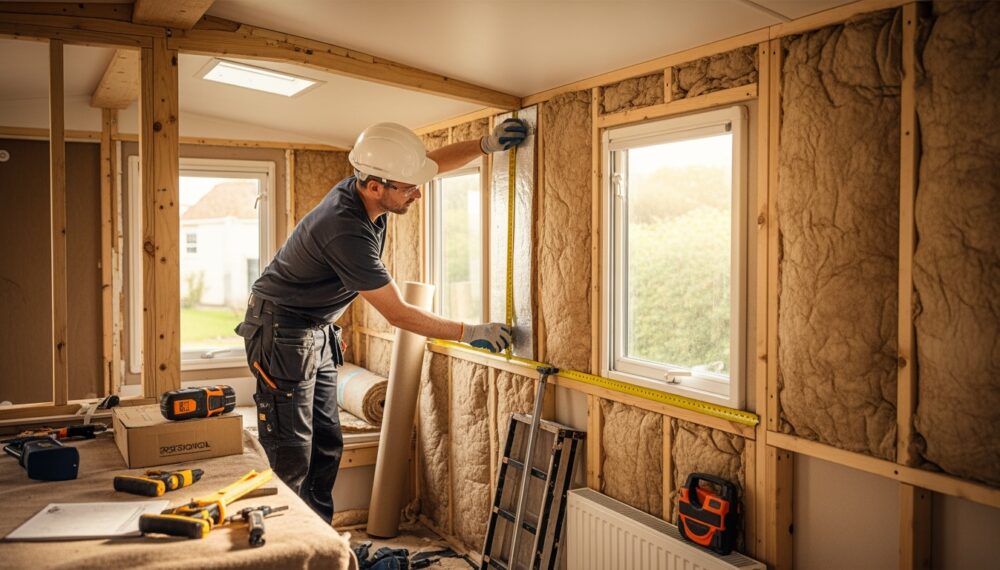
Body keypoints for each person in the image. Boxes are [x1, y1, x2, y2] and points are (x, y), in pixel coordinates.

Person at [235, 118, 529, 522]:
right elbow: (398, 313)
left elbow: (432, 164)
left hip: (314, 331)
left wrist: (485, 144)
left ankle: (323, 550)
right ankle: (284, 554)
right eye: (409, 189)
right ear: (376, 187)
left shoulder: (372, 186)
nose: (418, 195)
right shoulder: (345, 230)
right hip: (282, 331)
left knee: (325, 445)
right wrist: (470, 332)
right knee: (291, 455)